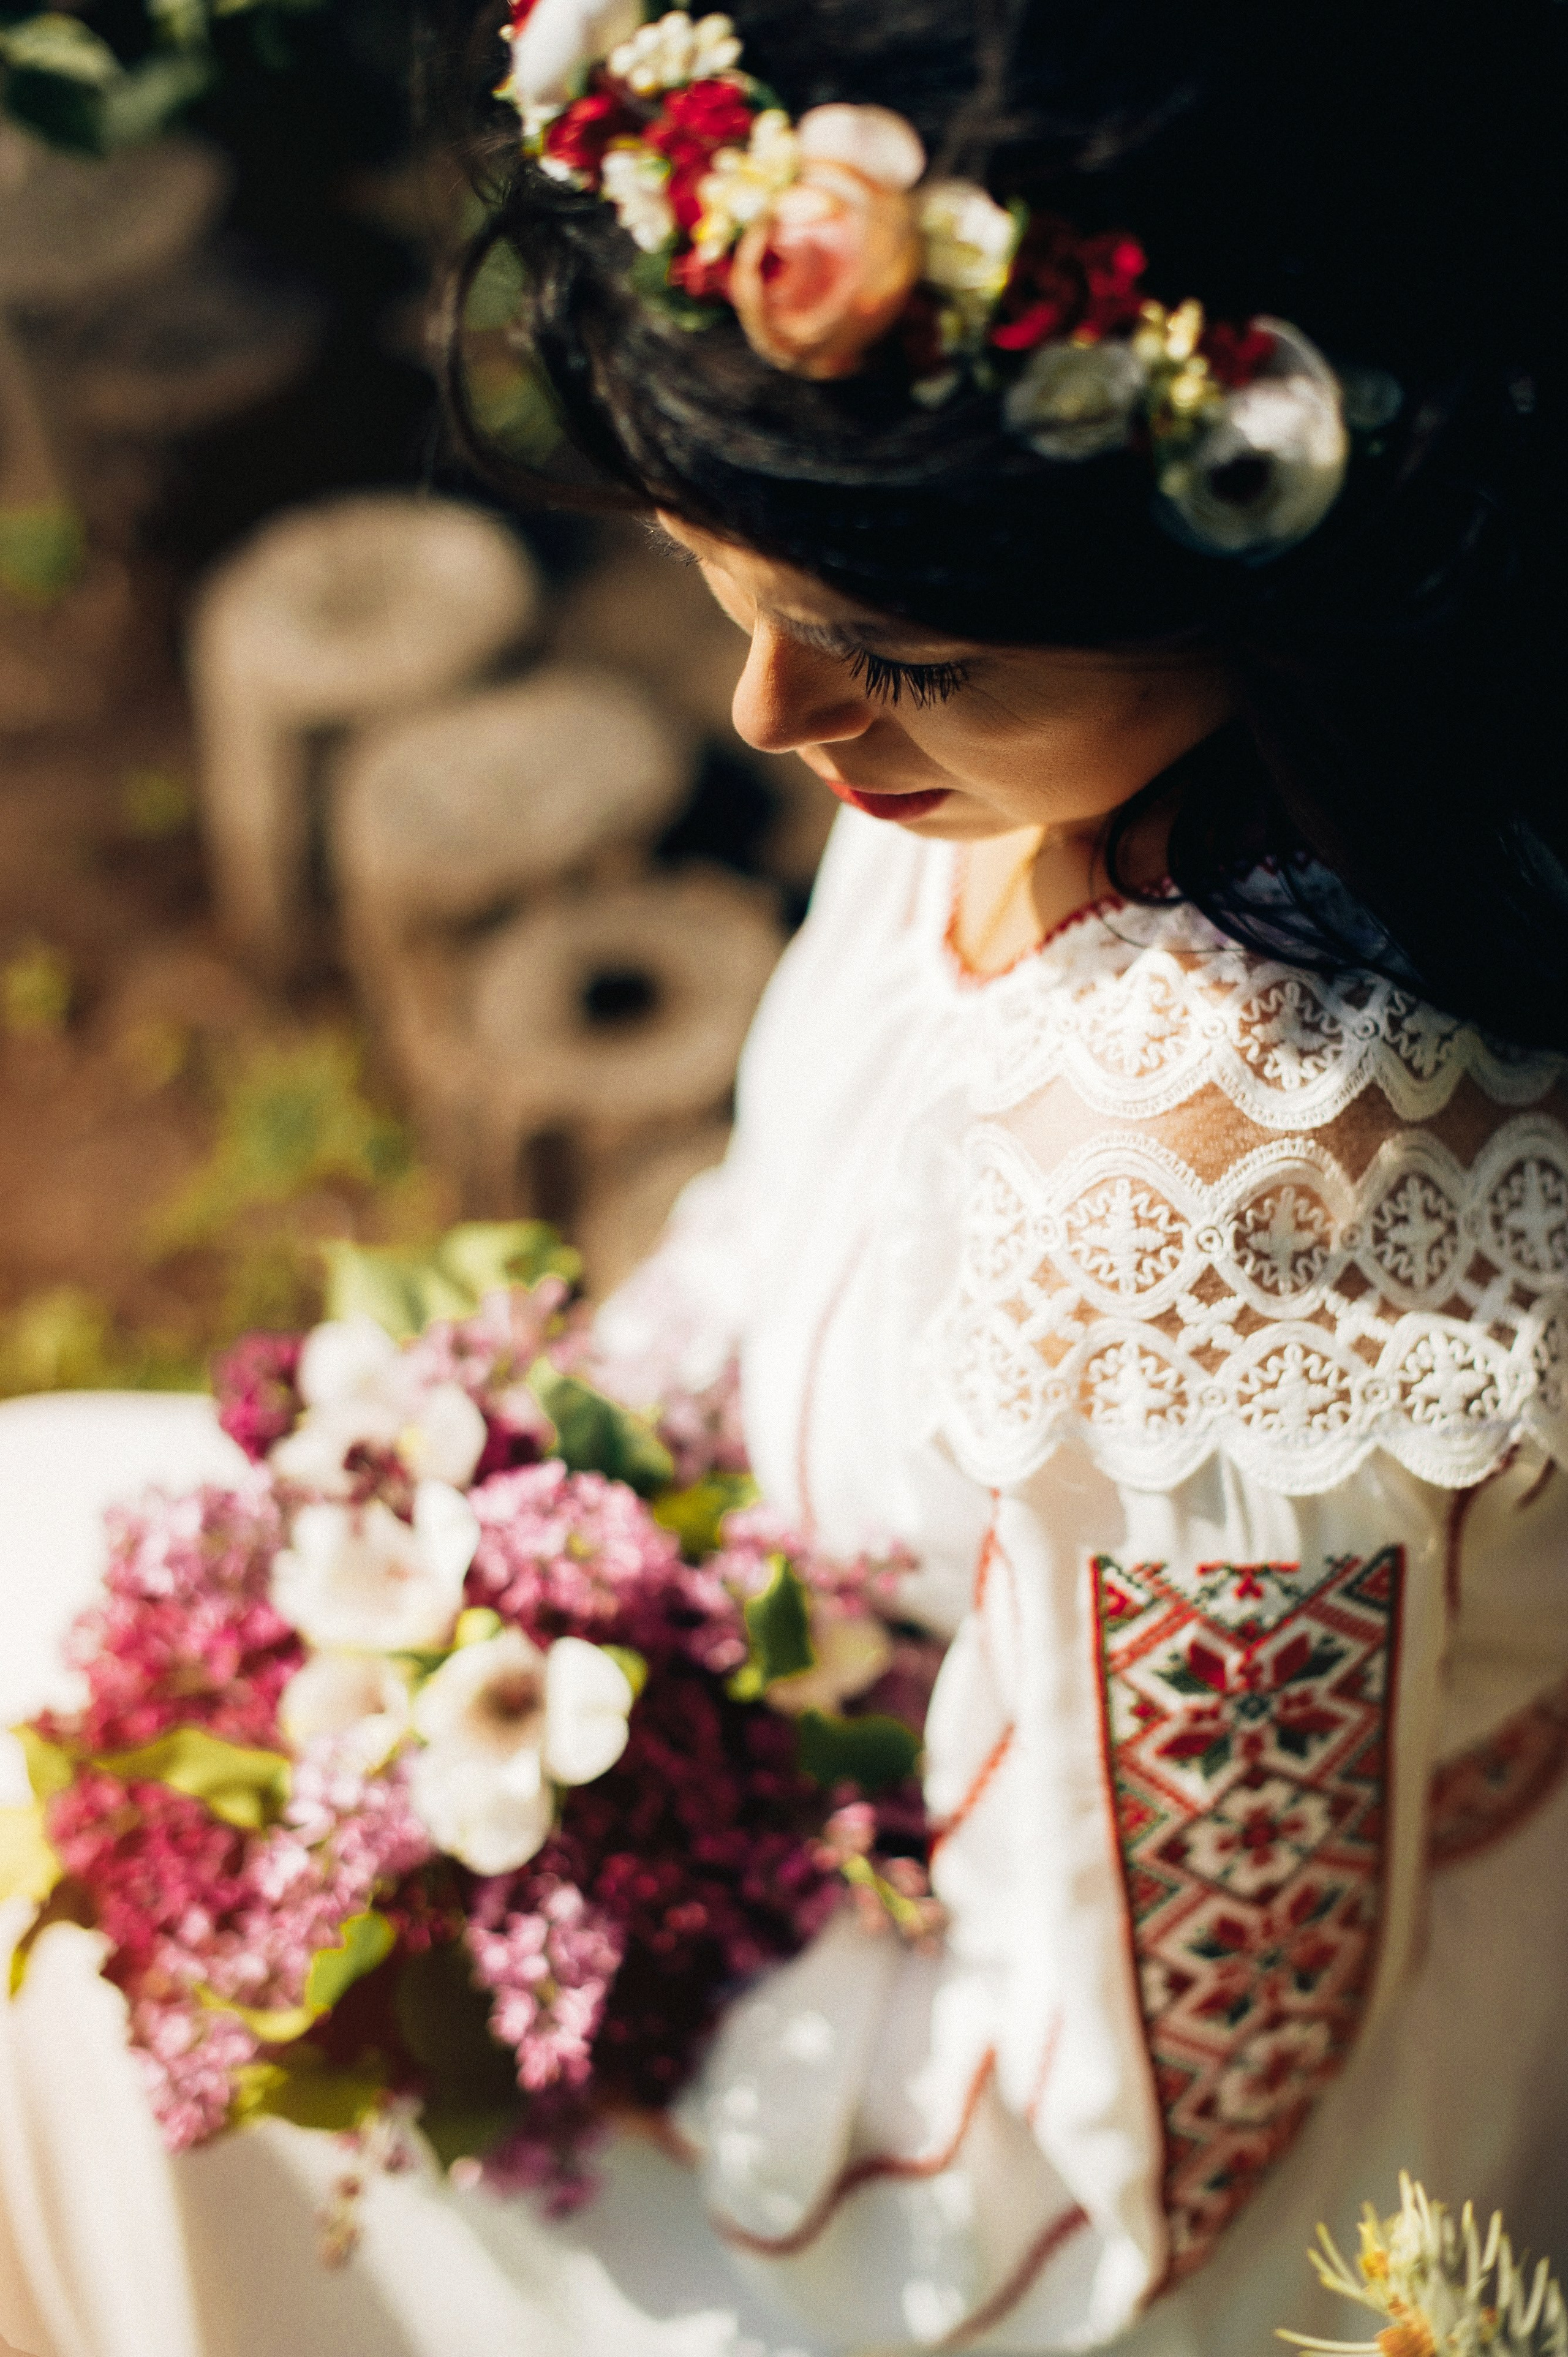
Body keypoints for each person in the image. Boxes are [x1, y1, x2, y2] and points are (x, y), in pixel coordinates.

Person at [0, 3, 1564, 2355]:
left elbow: (1165, 2123)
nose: (772, 715)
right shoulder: (1054, 758)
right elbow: (814, 1211)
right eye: (722, 574)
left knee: (107, 2008)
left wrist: (625, 1987)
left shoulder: (1223, 1188)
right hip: (771, 1709)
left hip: (999, 2162)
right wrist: (531, 1534)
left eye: (891, 649)